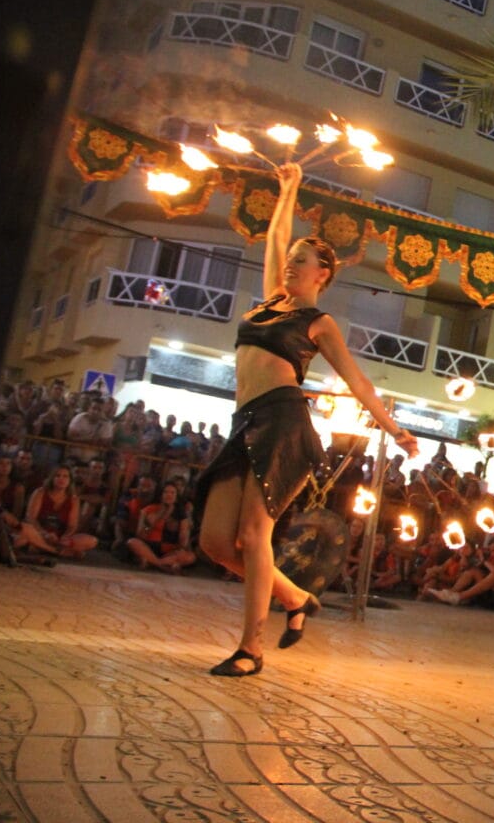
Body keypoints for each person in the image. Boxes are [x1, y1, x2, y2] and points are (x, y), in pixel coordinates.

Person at [196, 162, 418, 678]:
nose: (291, 264)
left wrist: (393, 429)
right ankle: (295, 597)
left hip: (283, 423)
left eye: (303, 260)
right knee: (215, 542)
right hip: (244, 420)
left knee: (254, 535)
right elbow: (276, 241)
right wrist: (288, 189)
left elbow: (357, 382)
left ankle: (251, 649)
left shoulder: (318, 322)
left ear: (323, 274)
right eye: (291, 258)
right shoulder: (269, 305)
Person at [23, 465, 99, 558]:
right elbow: (31, 518)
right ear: (52, 478)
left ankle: (44, 548)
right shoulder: (40, 492)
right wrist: (44, 533)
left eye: (65, 476)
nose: (61, 479)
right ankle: (55, 551)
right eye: (57, 476)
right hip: (39, 533)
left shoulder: (74, 499)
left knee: (92, 541)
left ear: (70, 480)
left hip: (60, 538)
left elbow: (72, 525)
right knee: (22, 537)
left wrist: (64, 537)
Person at [126, 480, 197, 573]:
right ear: (160, 495)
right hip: (149, 548)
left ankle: (153, 562)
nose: (169, 495)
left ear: (176, 497)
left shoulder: (181, 514)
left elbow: (183, 543)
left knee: (191, 557)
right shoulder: (148, 510)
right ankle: (163, 566)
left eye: (172, 493)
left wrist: (183, 537)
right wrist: (158, 515)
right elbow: (140, 536)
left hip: (169, 552)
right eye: (166, 492)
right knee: (132, 542)